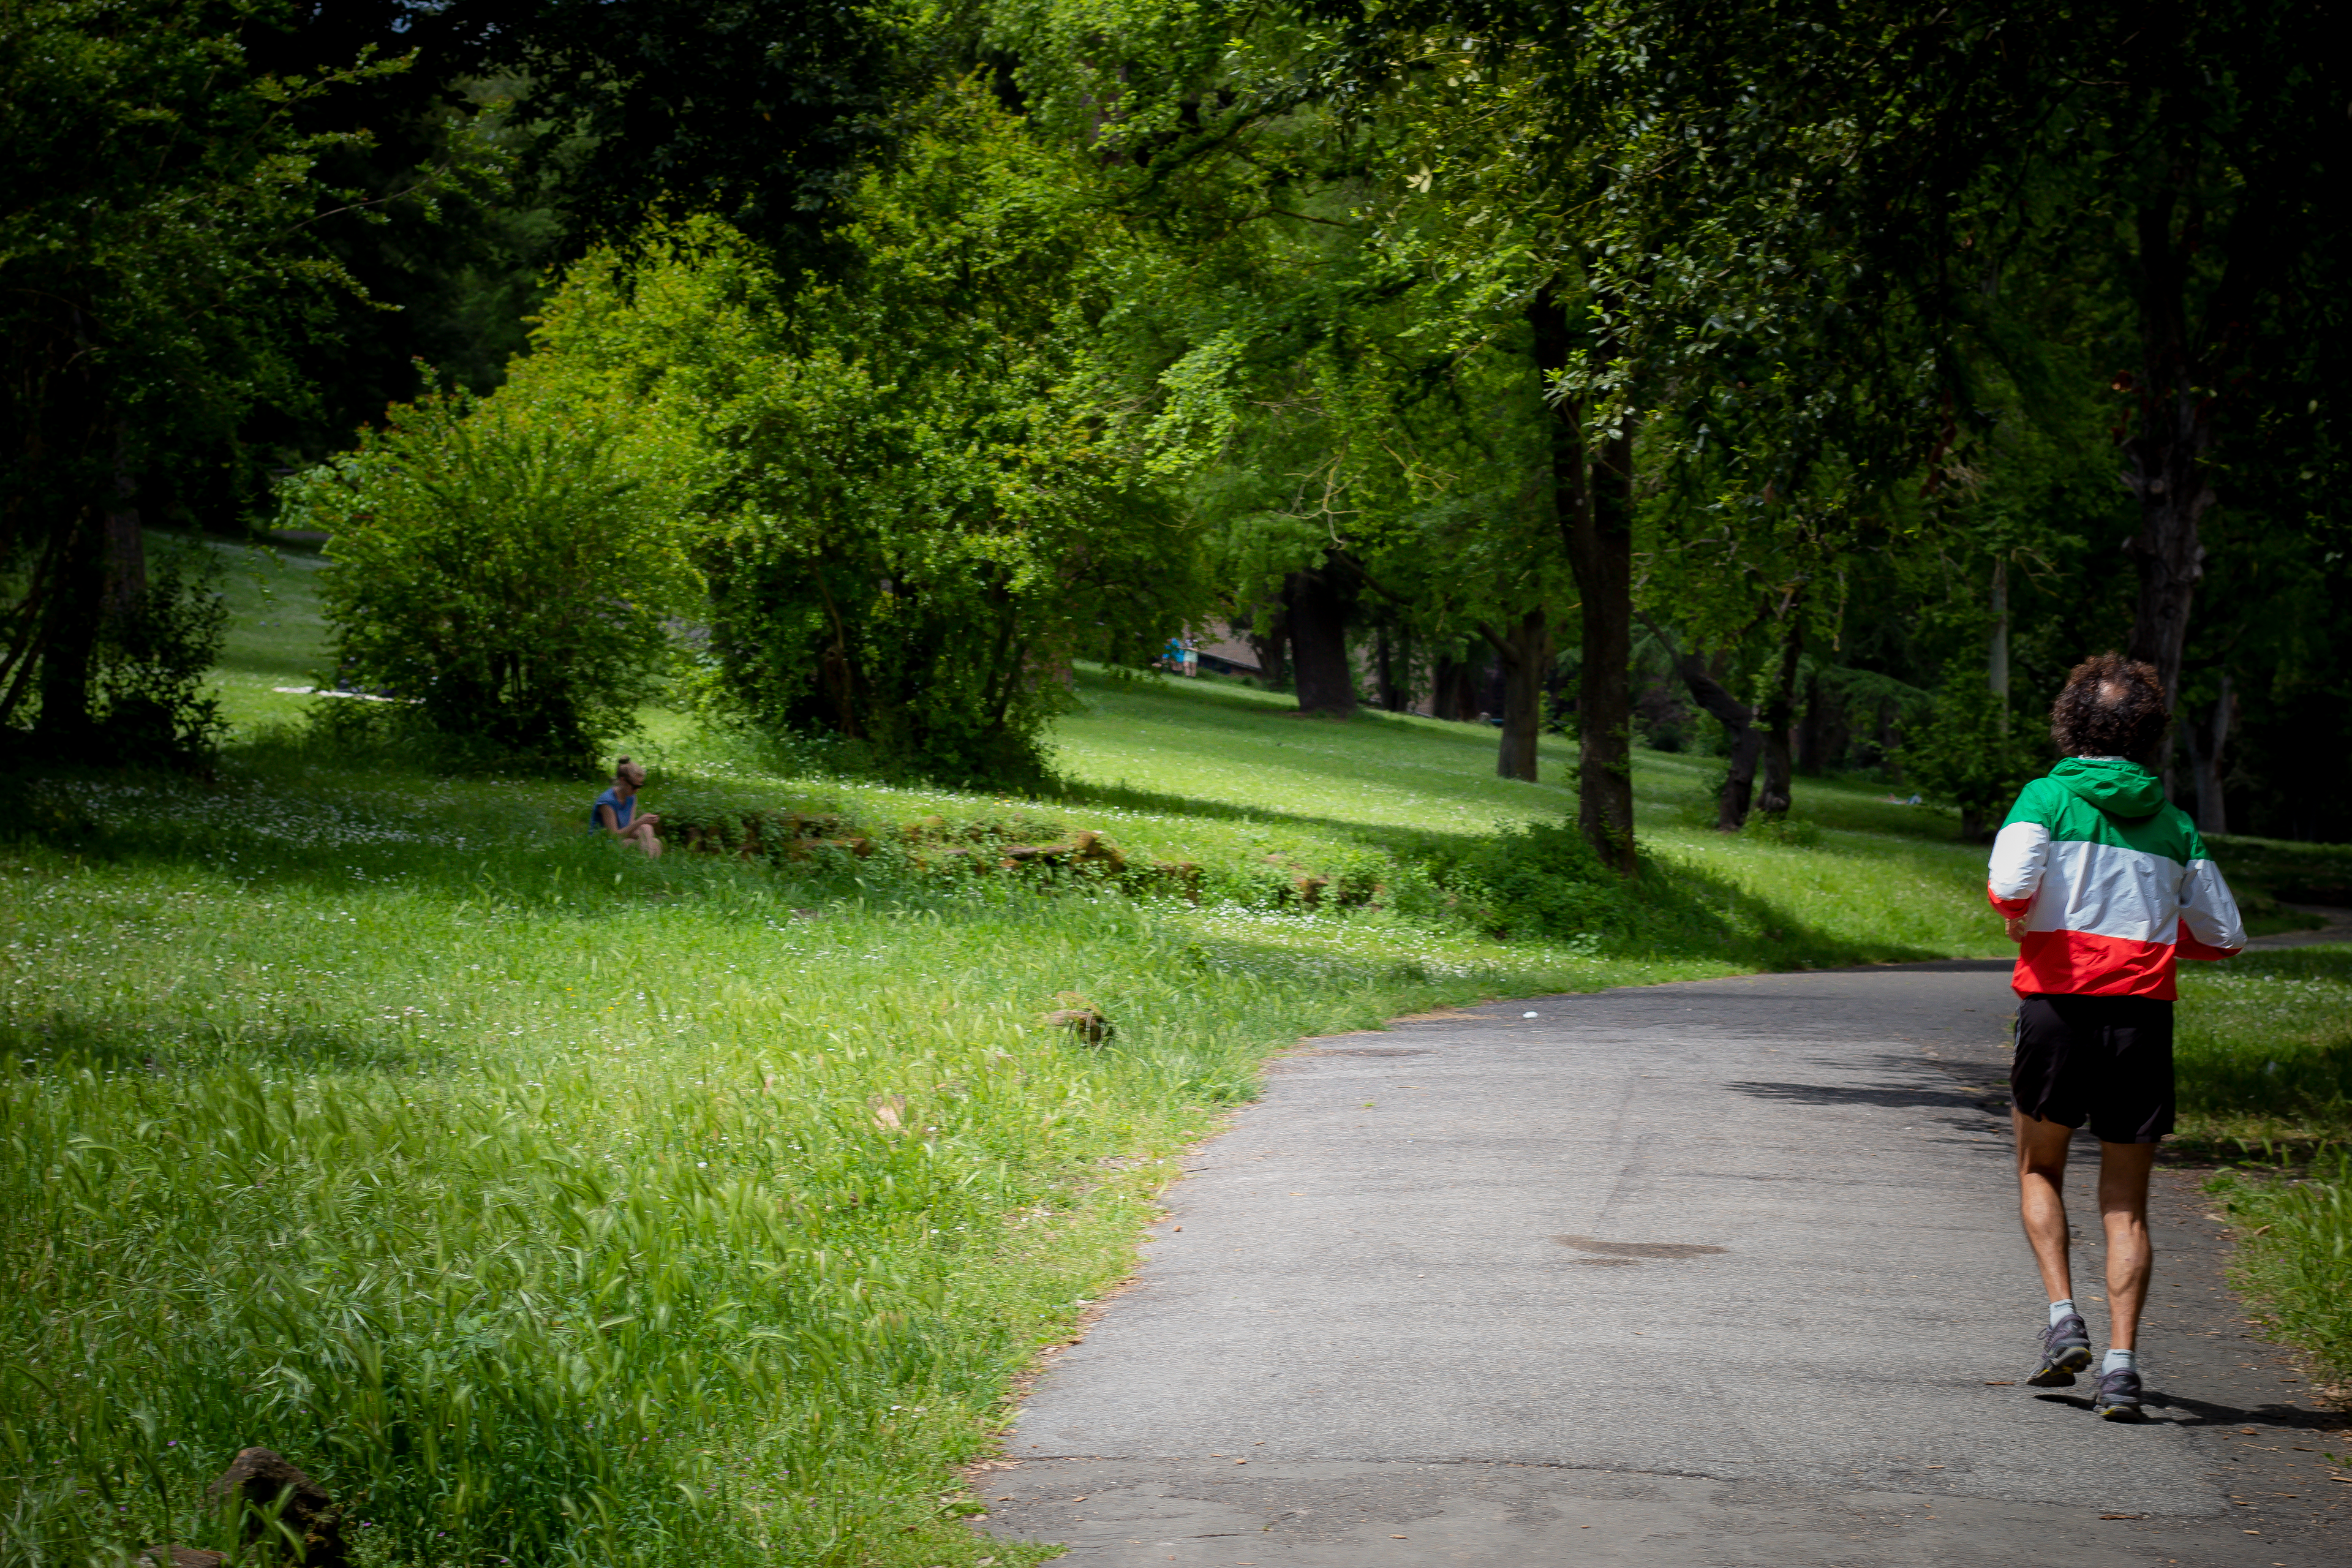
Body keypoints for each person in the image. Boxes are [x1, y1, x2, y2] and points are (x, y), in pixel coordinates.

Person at [1986, 654, 2244, 1421]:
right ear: (2148, 732)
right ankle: (2124, 1369)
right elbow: (2225, 933)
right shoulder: (2175, 824)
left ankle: (2064, 1317)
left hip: (2056, 1010)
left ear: (2071, 721)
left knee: (2039, 1167)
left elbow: (2010, 886)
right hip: (2141, 1020)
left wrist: (2023, 918)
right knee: (2127, 1203)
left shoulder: (2045, 797)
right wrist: (2158, 936)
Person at [591, 757, 663, 858]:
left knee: (652, 836)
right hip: (605, 844)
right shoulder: (607, 802)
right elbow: (614, 836)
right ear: (623, 781)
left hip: (622, 839)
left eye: (640, 786)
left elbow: (629, 828)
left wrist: (646, 828)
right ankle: (648, 864)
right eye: (634, 787)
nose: (637, 790)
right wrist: (640, 822)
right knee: (651, 843)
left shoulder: (631, 798)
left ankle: (647, 863)